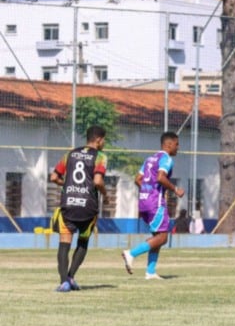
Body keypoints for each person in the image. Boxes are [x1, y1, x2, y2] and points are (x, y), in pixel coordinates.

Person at [48, 125, 108, 292]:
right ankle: (71, 276)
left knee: (64, 243)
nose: (104, 143)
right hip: (88, 206)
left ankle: (63, 282)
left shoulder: (70, 154)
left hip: (69, 204)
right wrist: (106, 194)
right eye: (104, 140)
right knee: (83, 241)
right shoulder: (100, 156)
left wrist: (67, 184)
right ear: (98, 139)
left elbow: (54, 177)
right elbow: (97, 181)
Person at [122, 131, 185, 279]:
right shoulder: (166, 158)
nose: (178, 147)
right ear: (168, 144)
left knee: (157, 236)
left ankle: (150, 272)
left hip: (144, 200)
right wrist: (175, 189)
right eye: (176, 144)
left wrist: (146, 189)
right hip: (155, 202)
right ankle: (131, 253)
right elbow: (161, 177)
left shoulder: (149, 159)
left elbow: (138, 179)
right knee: (163, 238)